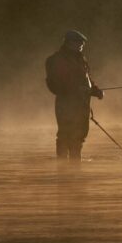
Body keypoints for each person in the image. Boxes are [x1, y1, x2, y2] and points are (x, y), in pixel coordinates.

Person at [45, 30, 104, 161]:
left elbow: (87, 80)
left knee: (80, 134)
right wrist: (75, 90)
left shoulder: (81, 59)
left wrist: (96, 91)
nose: (81, 45)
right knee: (65, 134)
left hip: (82, 104)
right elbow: (53, 84)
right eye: (78, 42)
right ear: (68, 43)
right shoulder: (55, 60)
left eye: (82, 43)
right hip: (65, 104)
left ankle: (75, 163)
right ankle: (62, 165)